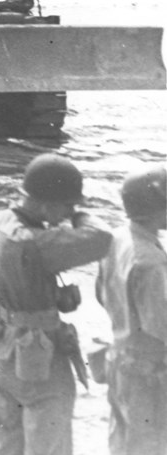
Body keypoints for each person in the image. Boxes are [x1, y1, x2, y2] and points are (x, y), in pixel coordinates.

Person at [0, 153, 113, 455]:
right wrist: (79, 216)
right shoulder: (36, 242)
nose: (69, 211)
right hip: (39, 358)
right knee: (49, 443)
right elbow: (102, 238)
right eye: (68, 204)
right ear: (46, 204)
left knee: (4, 442)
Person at [96, 164, 167, 455]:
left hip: (120, 358)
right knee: (150, 444)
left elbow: (101, 294)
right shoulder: (149, 260)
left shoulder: (116, 239)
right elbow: (160, 324)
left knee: (123, 443)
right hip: (148, 370)